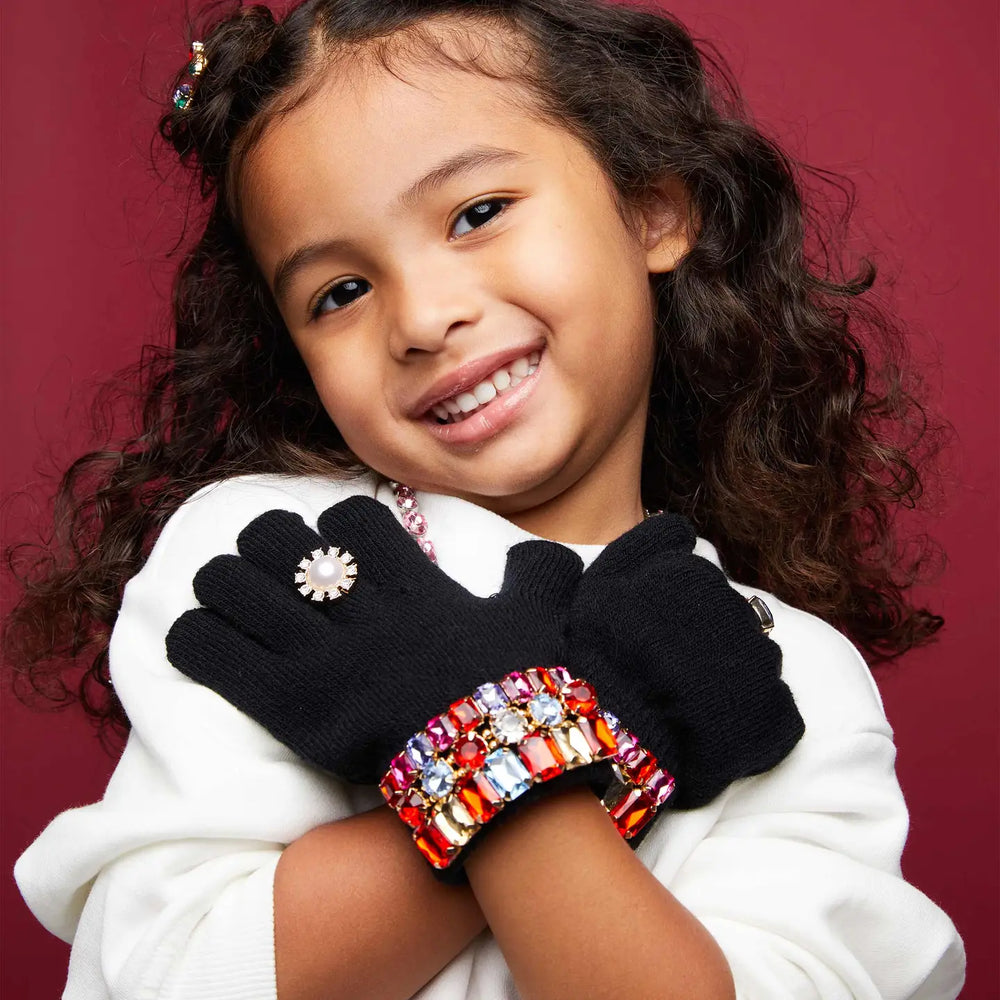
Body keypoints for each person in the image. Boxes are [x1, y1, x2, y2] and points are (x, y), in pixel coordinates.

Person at [5, 0, 967, 997]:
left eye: (477, 213)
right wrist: (597, 726)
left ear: (653, 209)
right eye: (339, 292)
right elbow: (172, 972)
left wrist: (495, 741)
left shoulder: (789, 671)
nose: (423, 318)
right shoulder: (274, 552)